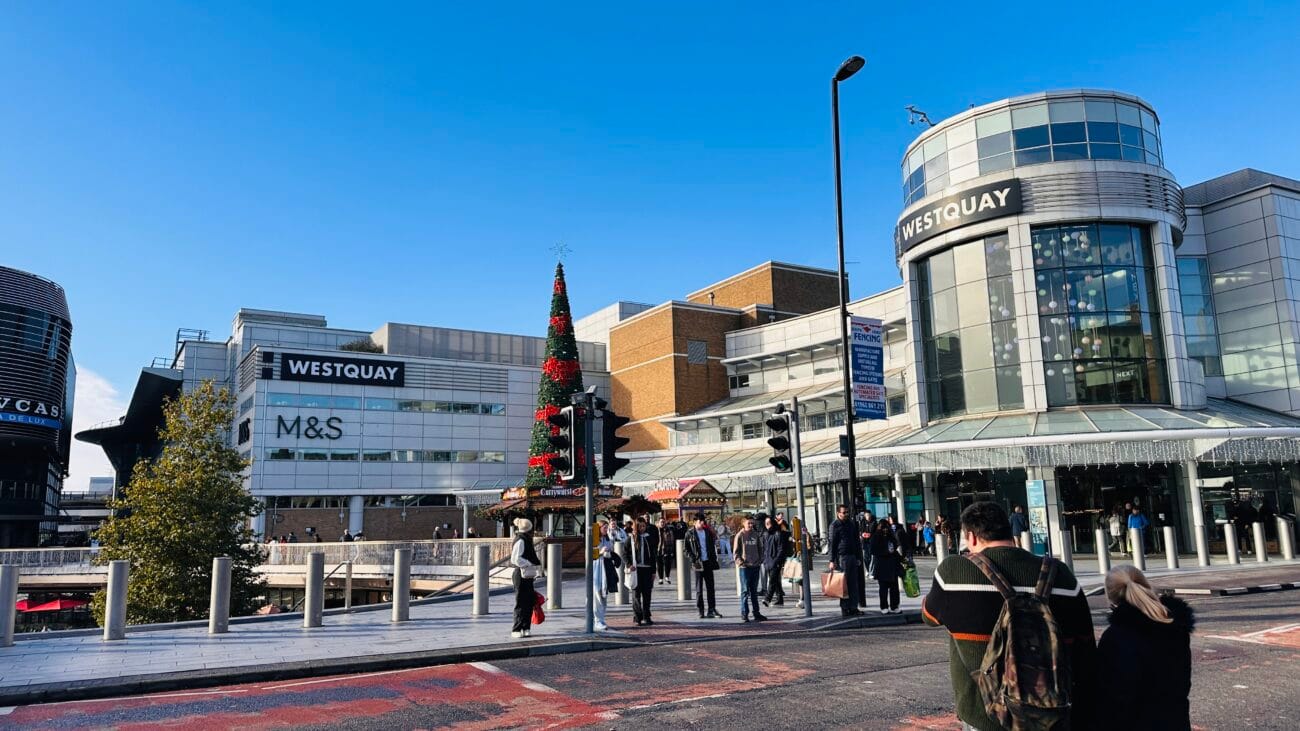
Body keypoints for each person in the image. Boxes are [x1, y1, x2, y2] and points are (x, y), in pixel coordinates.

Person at [922, 501, 1097, 731]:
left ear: (972, 537)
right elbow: (1086, 650)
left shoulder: (954, 572)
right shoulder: (1061, 575)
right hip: (1054, 714)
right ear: (1011, 532)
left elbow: (928, 615)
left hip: (985, 716)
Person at [1097, 565, 1195, 730]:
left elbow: (1115, 697)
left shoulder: (1115, 636)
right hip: (1175, 721)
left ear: (1111, 598)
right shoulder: (1175, 625)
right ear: (1146, 585)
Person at [828, 504, 864, 617]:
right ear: (838, 513)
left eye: (847, 512)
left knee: (854, 583)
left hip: (852, 555)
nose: (846, 514)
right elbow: (832, 544)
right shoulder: (835, 525)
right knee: (844, 584)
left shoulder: (851, 524)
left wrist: (858, 557)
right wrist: (831, 560)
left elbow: (856, 542)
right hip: (842, 557)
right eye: (844, 512)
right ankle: (845, 608)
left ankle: (853, 607)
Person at [685, 513, 723, 618]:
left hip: (708, 562)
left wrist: (711, 530)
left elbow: (714, 540)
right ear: (695, 522)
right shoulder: (690, 533)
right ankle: (700, 610)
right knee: (699, 588)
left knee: (711, 587)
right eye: (700, 521)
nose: (702, 523)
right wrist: (693, 558)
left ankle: (712, 609)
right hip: (698, 563)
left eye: (703, 521)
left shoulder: (707, 532)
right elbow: (686, 549)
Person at [591, 518, 626, 631]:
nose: (606, 529)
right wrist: (601, 552)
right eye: (604, 527)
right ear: (599, 528)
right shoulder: (594, 540)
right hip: (597, 568)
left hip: (606, 568)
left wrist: (610, 554)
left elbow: (611, 551)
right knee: (597, 594)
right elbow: (591, 554)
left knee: (604, 594)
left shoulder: (608, 539)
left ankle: (601, 619)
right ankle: (597, 620)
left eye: (607, 527)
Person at [509, 518, 541, 639]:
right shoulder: (521, 540)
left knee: (528, 601)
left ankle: (525, 627)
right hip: (521, 573)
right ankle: (517, 628)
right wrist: (528, 563)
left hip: (526, 573)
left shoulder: (524, 539)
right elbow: (515, 559)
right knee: (521, 601)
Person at [733, 516, 766, 622]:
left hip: (755, 567)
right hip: (745, 568)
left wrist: (760, 560)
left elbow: (760, 549)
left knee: (754, 592)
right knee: (745, 591)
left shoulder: (756, 535)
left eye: (752, 523)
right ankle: (744, 613)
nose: (751, 525)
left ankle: (756, 613)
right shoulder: (740, 536)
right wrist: (741, 562)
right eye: (749, 523)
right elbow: (736, 552)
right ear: (744, 524)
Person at [630, 517, 659, 626]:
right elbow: (625, 552)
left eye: (644, 526)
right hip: (636, 570)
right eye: (640, 526)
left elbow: (653, 556)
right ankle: (637, 617)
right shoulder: (631, 538)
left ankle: (647, 616)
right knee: (636, 594)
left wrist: (653, 571)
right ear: (636, 527)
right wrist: (629, 564)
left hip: (647, 569)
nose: (642, 528)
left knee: (647, 594)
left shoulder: (649, 538)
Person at [870, 518, 902, 614]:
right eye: (883, 528)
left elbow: (895, 548)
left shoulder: (891, 537)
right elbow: (873, 551)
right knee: (883, 588)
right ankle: (884, 606)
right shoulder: (875, 537)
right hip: (882, 565)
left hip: (892, 565)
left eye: (886, 528)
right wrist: (886, 552)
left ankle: (894, 606)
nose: (885, 530)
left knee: (894, 588)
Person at [761, 516, 787, 607]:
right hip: (767, 561)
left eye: (769, 522)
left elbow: (781, 549)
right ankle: (780, 599)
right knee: (775, 581)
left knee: (772, 580)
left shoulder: (778, 534)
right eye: (766, 523)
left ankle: (767, 599)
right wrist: (764, 560)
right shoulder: (765, 534)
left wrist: (776, 560)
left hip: (775, 561)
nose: (767, 524)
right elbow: (764, 548)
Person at [656, 517, 674, 585]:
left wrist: (672, 550)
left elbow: (672, 540)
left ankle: (667, 577)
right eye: (661, 522)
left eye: (663, 522)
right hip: (658, 549)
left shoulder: (669, 530)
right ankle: (660, 579)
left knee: (667, 564)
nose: (662, 523)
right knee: (659, 565)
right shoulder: (656, 530)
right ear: (658, 523)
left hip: (667, 549)